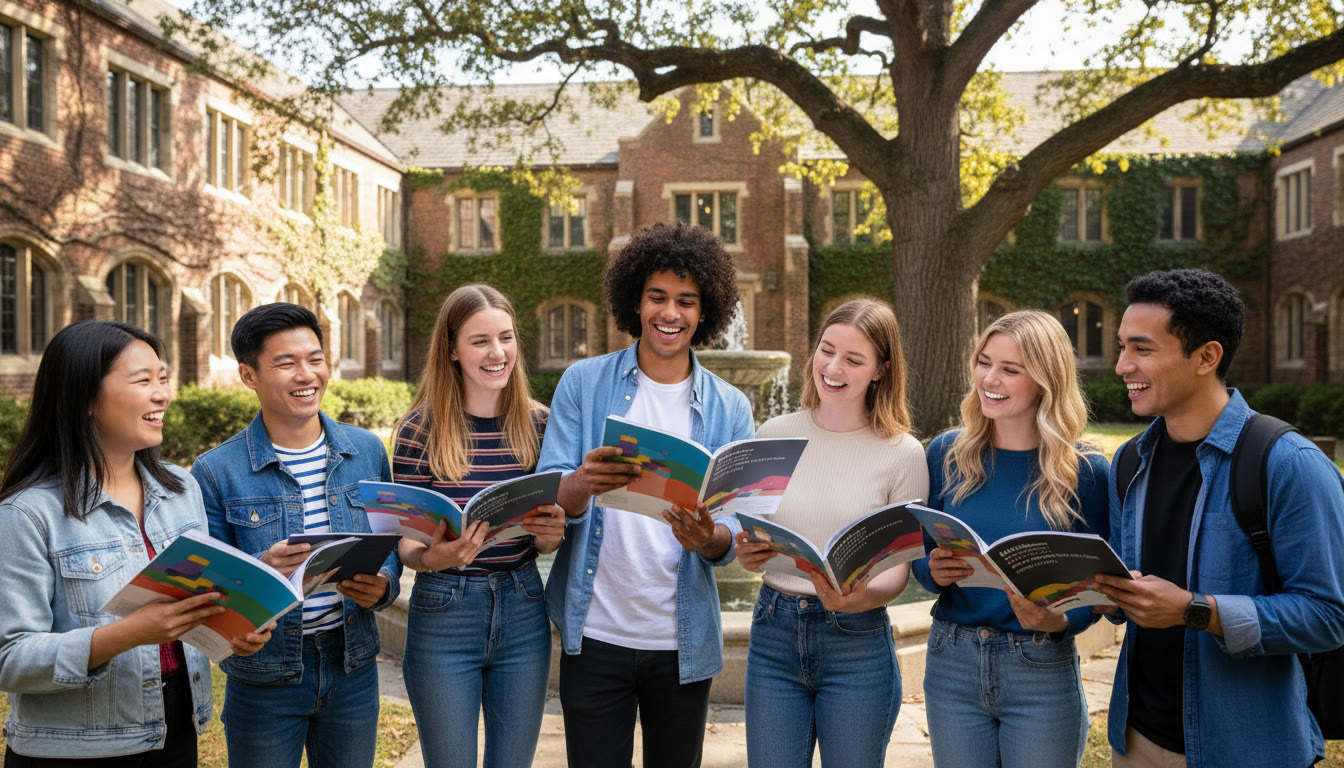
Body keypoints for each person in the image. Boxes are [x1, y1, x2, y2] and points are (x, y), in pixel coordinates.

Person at [1092, 269, 1344, 768]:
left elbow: (1327, 617)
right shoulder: (1126, 462)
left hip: (1250, 747)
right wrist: (1096, 593)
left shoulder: (1290, 464)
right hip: (1135, 740)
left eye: (1142, 349)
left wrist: (1194, 610)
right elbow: (1130, 602)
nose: (1122, 365)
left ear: (1207, 356)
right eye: (1121, 346)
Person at [0, 321, 268, 766]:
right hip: (75, 750)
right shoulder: (27, 513)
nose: (162, 393)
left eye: (162, 378)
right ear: (85, 397)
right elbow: (9, 656)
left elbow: (191, 609)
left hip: (176, 729)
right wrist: (124, 636)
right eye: (143, 380)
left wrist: (235, 628)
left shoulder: (182, 489)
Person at [538, 220, 754, 768]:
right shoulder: (583, 384)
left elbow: (738, 535)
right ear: (635, 301)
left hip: (680, 644)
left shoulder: (730, 408)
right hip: (595, 633)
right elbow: (549, 500)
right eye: (657, 297)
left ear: (705, 312)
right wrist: (582, 483)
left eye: (686, 301)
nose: (670, 313)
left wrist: (709, 539)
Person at [190, 303, 401, 768]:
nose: (308, 375)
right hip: (263, 680)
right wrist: (254, 584)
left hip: (353, 667)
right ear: (248, 375)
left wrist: (383, 583)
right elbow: (206, 592)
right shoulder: (213, 472)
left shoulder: (366, 450)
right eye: (286, 363)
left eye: (315, 358)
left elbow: (390, 546)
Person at [733, 298, 929, 767]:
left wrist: (856, 598)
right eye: (826, 350)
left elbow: (897, 575)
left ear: (881, 369)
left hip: (856, 644)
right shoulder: (774, 432)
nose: (833, 367)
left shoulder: (903, 454)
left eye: (853, 359)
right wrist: (749, 553)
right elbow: (757, 538)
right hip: (773, 634)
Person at [909, 309, 1109, 767]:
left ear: (1044, 379)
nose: (988, 378)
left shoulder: (1087, 473)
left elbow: (1103, 590)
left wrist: (1058, 623)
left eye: (1009, 369)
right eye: (983, 362)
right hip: (952, 661)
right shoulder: (946, 454)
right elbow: (920, 557)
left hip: (1040, 667)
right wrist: (933, 570)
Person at [392, 284, 566, 768]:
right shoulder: (419, 430)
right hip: (445, 612)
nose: (498, 353)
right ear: (451, 349)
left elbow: (550, 533)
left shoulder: (540, 425)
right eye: (480, 341)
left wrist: (551, 536)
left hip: (523, 607)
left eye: (506, 338)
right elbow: (406, 545)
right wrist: (434, 557)